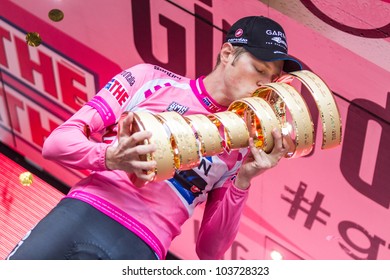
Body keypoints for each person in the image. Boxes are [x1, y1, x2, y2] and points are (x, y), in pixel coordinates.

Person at [7, 15, 302, 260]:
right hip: (82, 214)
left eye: (272, 77)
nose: (264, 83)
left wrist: (244, 181)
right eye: (259, 69)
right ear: (227, 54)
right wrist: (109, 157)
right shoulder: (151, 80)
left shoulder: (241, 146)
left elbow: (210, 251)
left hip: (143, 250)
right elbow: (55, 145)